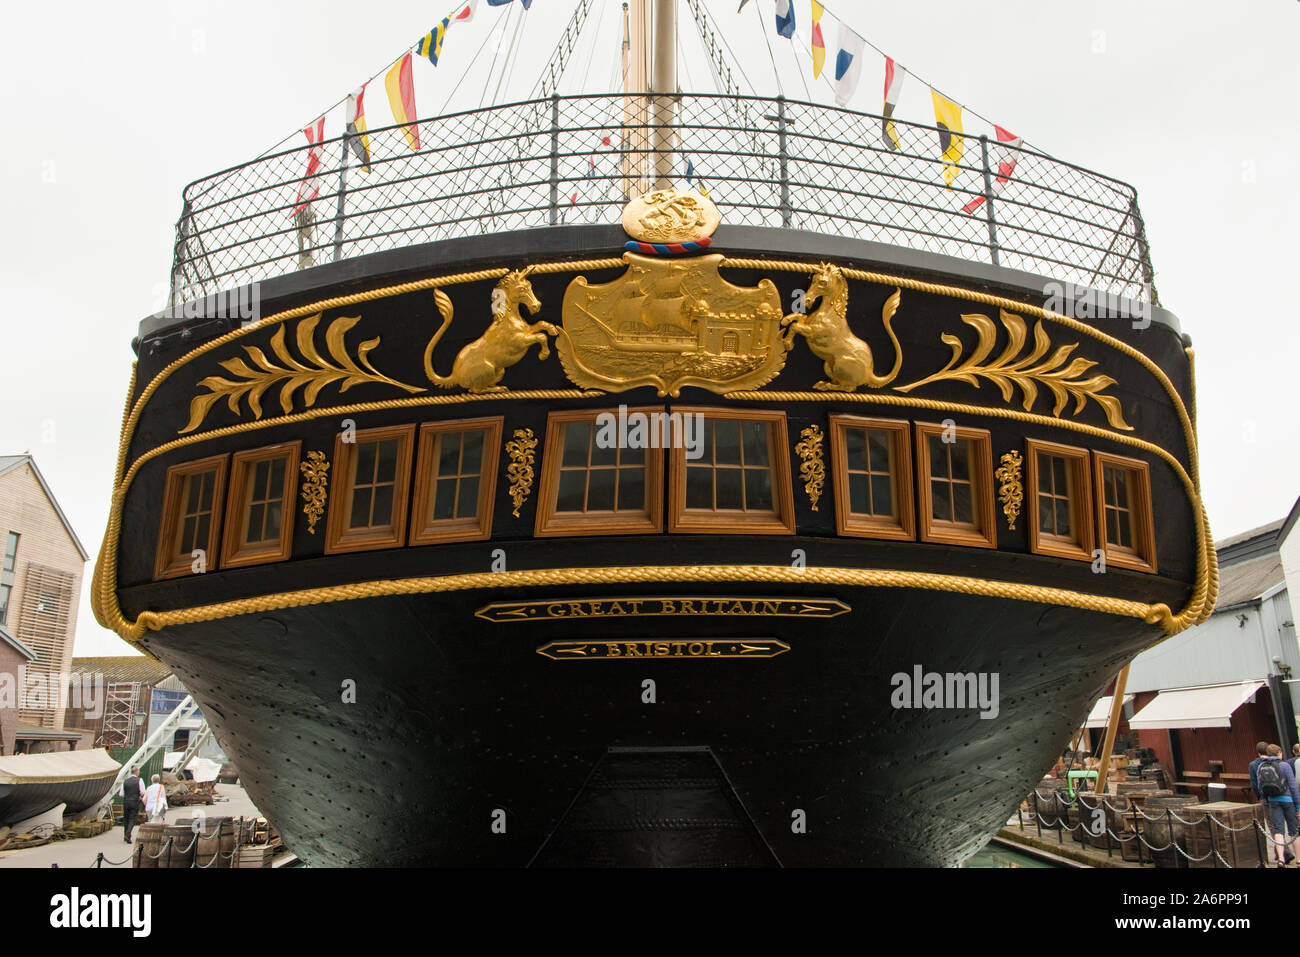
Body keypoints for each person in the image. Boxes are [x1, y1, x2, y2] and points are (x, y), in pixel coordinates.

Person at [1255, 744, 1300, 867]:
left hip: (1273, 801)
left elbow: (1260, 787)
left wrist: (1267, 800)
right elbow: (1293, 786)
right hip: (1288, 800)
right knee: (1294, 831)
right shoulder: (1285, 765)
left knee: (1278, 830)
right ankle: (1299, 860)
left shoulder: (1261, 766)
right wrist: (1298, 806)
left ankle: (1281, 859)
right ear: (1279, 752)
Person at [120, 766, 144, 842]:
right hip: (134, 801)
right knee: (132, 819)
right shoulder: (139, 780)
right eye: (139, 771)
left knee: (126, 818)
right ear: (137, 772)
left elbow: (121, 794)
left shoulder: (125, 781)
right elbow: (143, 792)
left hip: (126, 801)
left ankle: (125, 835)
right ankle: (127, 835)